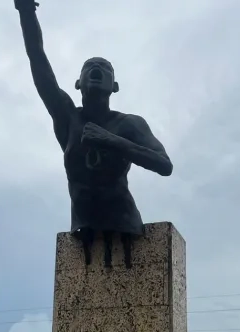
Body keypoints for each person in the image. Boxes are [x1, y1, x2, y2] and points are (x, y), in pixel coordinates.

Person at [14, 0, 173, 267]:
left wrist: (111, 141)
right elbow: (37, 58)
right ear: (78, 83)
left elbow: (164, 165)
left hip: (124, 224)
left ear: (115, 86)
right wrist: (26, 11)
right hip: (83, 228)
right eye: (89, 67)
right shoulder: (67, 117)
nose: (97, 70)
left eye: (105, 68)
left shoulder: (129, 124)